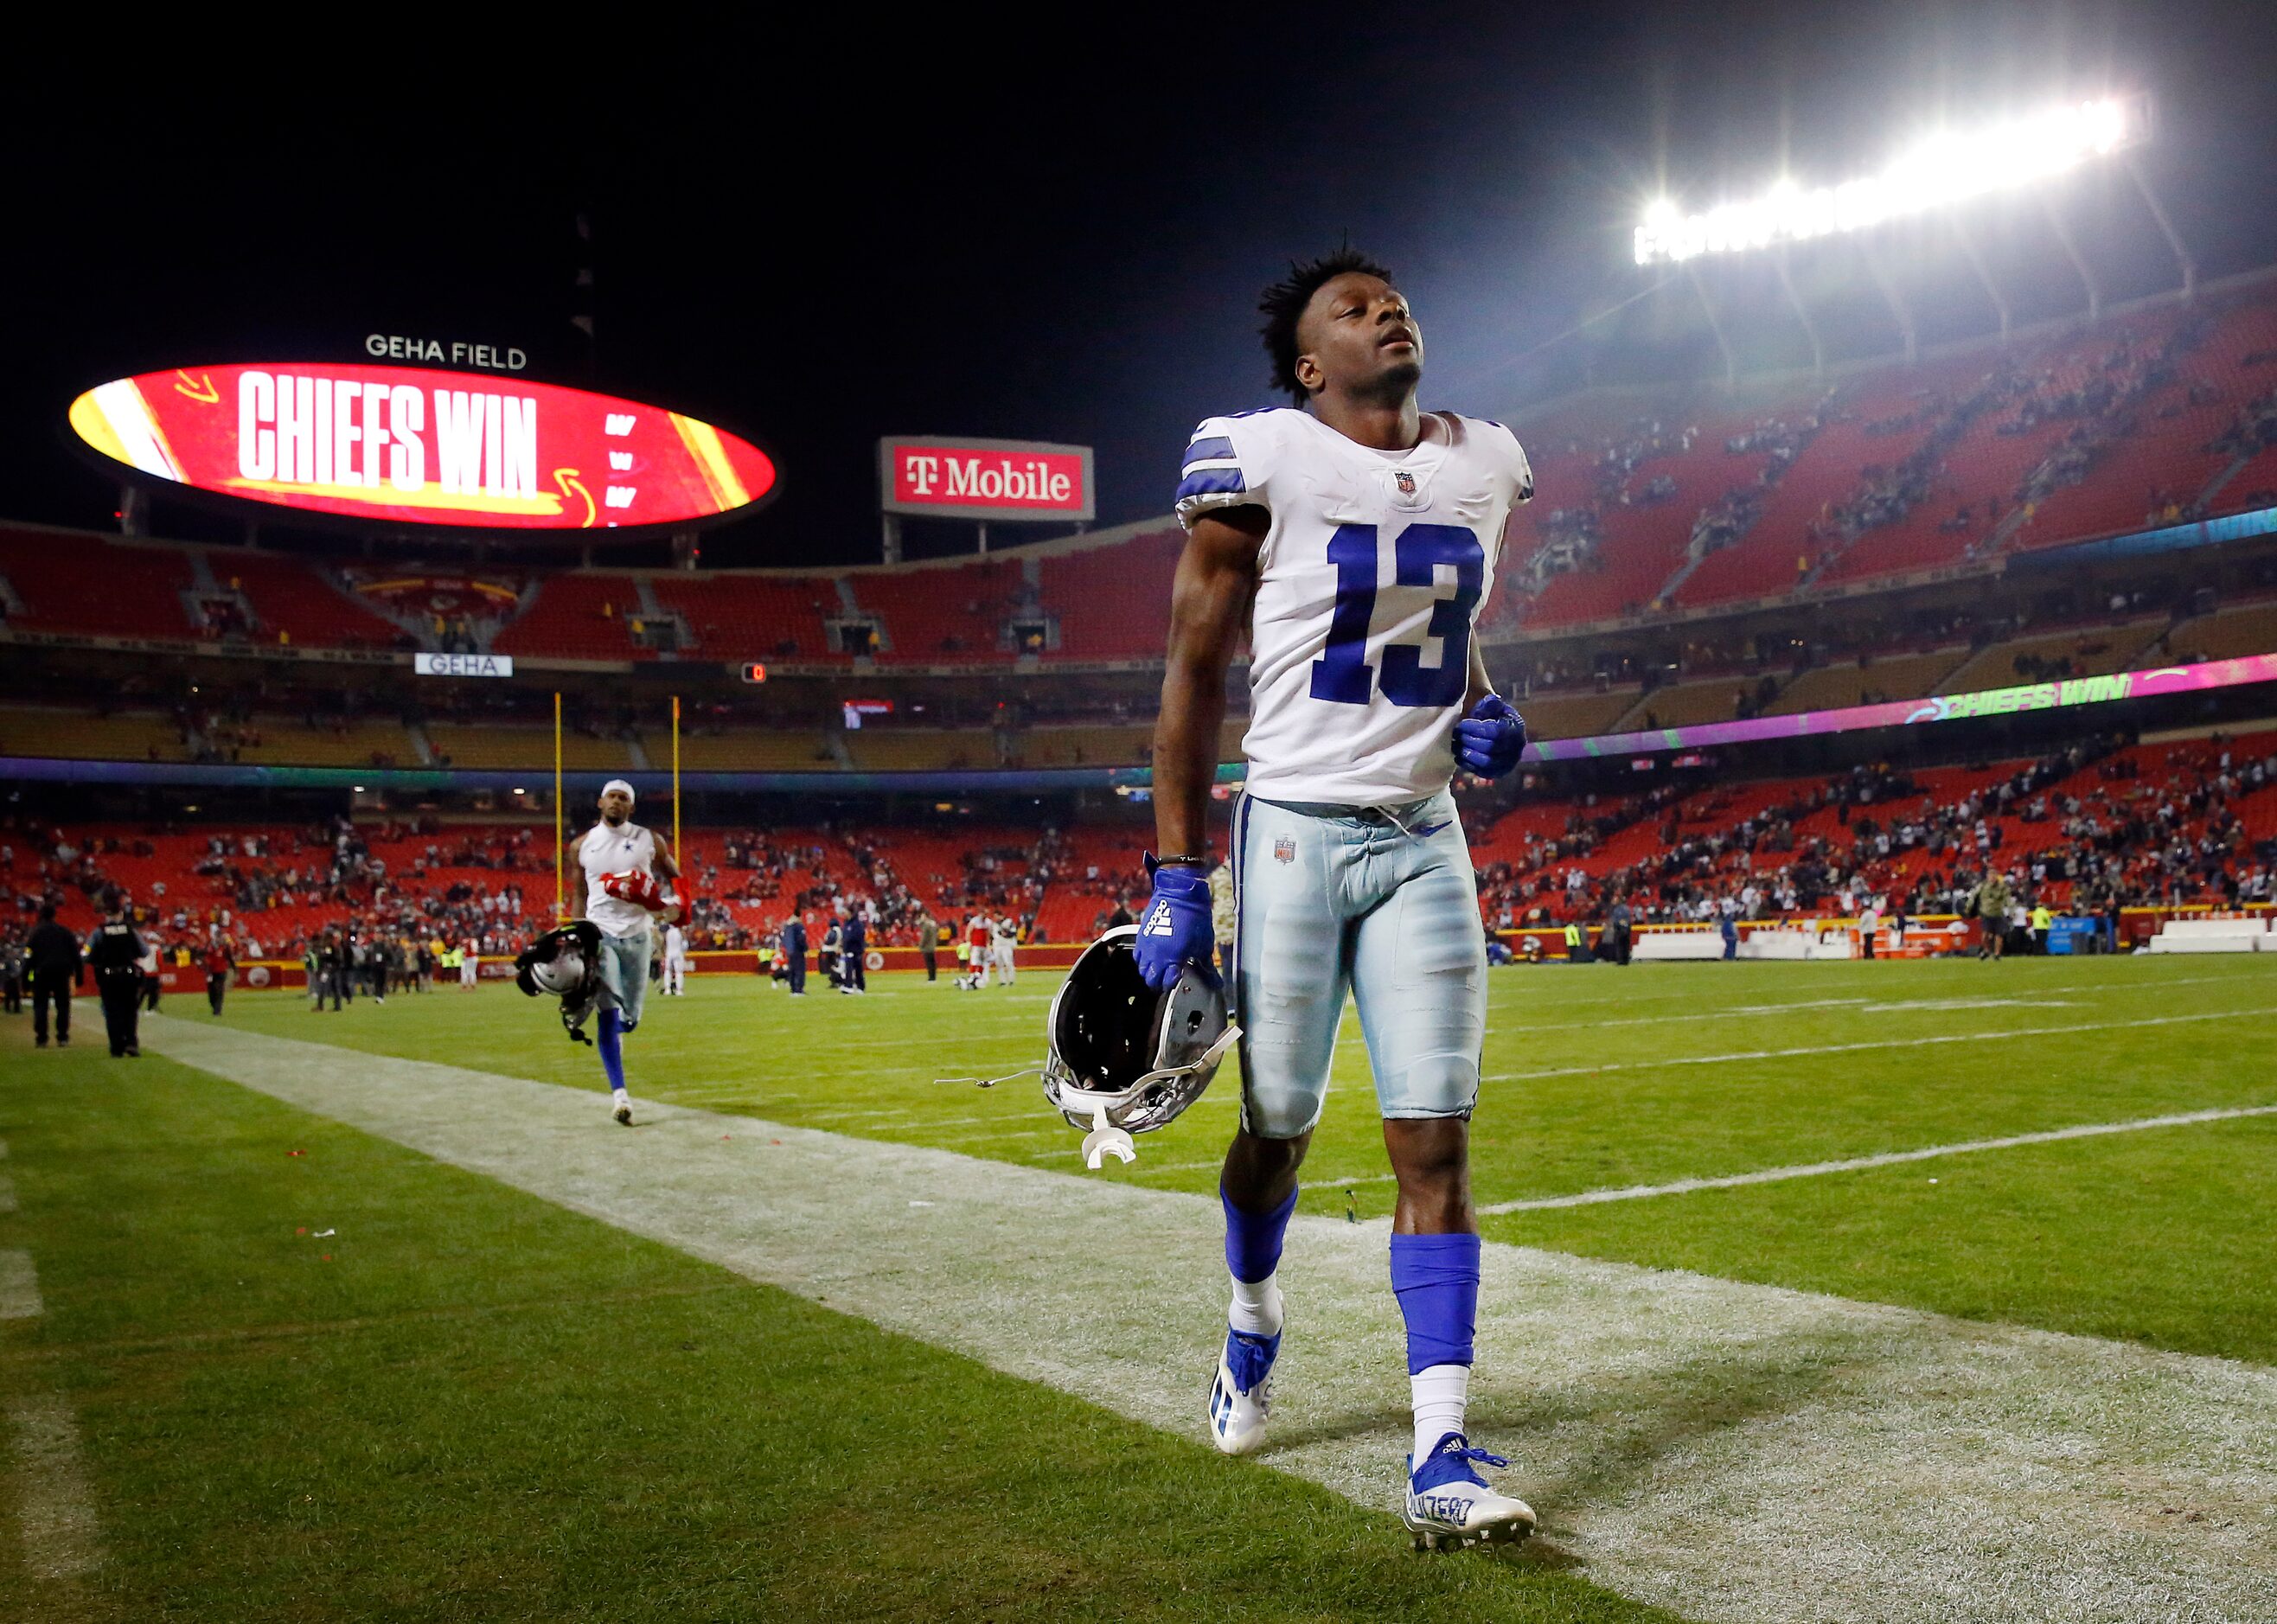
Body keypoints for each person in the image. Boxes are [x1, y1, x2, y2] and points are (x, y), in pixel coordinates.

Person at [1145, 249, 1536, 1547]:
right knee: (1280, 1124)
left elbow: (1441, 630)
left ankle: (1440, 1445)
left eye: (1393, 297)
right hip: (1295, 836)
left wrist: (1487, 716)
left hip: (1425, 835)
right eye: (1350, 308)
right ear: (1311, 363)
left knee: (1434, 1139)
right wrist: (1174, 868)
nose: (1385, 310)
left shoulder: (1484, 461)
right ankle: (1253, 1316)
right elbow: (1194, 677)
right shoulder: (1260, 454)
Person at [568, 779, 679, 1125]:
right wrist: (578, 933)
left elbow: (677, 878)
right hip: (601, 932)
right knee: (609, 1011)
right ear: (600, 802)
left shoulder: (650, 840)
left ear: (631, 807)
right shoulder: (581, 845)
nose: (616, 802)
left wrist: (675, 906)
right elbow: (578, 895)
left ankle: (617, 1022)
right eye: (611, 797)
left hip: (638, 934)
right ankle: (620, 1096)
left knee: (629, 1018)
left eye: (623, 798)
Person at [86, 892, 145, 1058]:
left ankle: (116, 1046)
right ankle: (131, 1042)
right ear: (121, 913)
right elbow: (144, 951)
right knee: (130, 1011)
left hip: (108, 977)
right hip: (128, 975)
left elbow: (86, 955)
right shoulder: (130, 930)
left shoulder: (99, 933)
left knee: (112, 1012)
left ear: (106, 915)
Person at [29, 902, 82, 1049]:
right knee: (63, 1006)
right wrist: (79, 976)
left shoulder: (35, 934)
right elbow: (76, 956)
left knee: (40, 1006)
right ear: (54, 915)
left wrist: (27, 978)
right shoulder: (65, 932)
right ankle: (62, 1036)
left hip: (41, 974)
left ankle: (41, 1038)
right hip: (61, 974)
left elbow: (28, 957)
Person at [780, 913, 808, 995]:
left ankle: (793, 989)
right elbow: (801, 939)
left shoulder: (787, 928)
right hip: (798, 951)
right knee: (799, 970)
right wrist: (805, 948)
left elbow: (784, 940)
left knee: (792, 970)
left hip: (790, 952)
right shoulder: (799, 927)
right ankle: (798, 989)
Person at [842, 911, 868, 994]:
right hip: (848, 950)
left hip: (856, 950)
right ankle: (849, 986)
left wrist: (851, 942)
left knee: (858, 969)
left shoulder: (857, 924)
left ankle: (860, 986)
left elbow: (858, 936)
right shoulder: (846, 924)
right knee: (849, 969)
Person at [138, 931, 163, 1012]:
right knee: (153, 993)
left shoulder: (143, 948)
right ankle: (150, 1009)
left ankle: (136, 1009)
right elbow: (159, 962)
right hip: (153, 973)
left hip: (144, 973)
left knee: (141, 993)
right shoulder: (156, 948)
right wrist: (160, 972)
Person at [989, 914, 1016, 987]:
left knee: (1008, 963)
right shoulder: (994, 925)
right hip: (997, 946)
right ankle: (1002, 981)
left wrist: (1005, 934)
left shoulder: (1008, 922)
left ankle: (1011, 980)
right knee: (999, 964)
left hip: (1006, 945)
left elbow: (1013, 933)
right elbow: (992, 935)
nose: (996, 918)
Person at [662, 919, 688, 996]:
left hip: (669, 953)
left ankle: (667, 989)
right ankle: (679, 990)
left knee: (667, 970)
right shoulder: (680, 932)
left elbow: (664, 943)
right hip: (678, 952)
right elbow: (685, 945)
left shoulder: (668, 932)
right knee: (679, 972)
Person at [916, 908, 938, 981]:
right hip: (932, 945)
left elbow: (925, 937)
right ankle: (933, 977)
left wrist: (921, 945)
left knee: (929, 963)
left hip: (927, 947)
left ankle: (931, 978)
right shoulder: (933, 924)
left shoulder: (927, 925)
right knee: (932, 963)